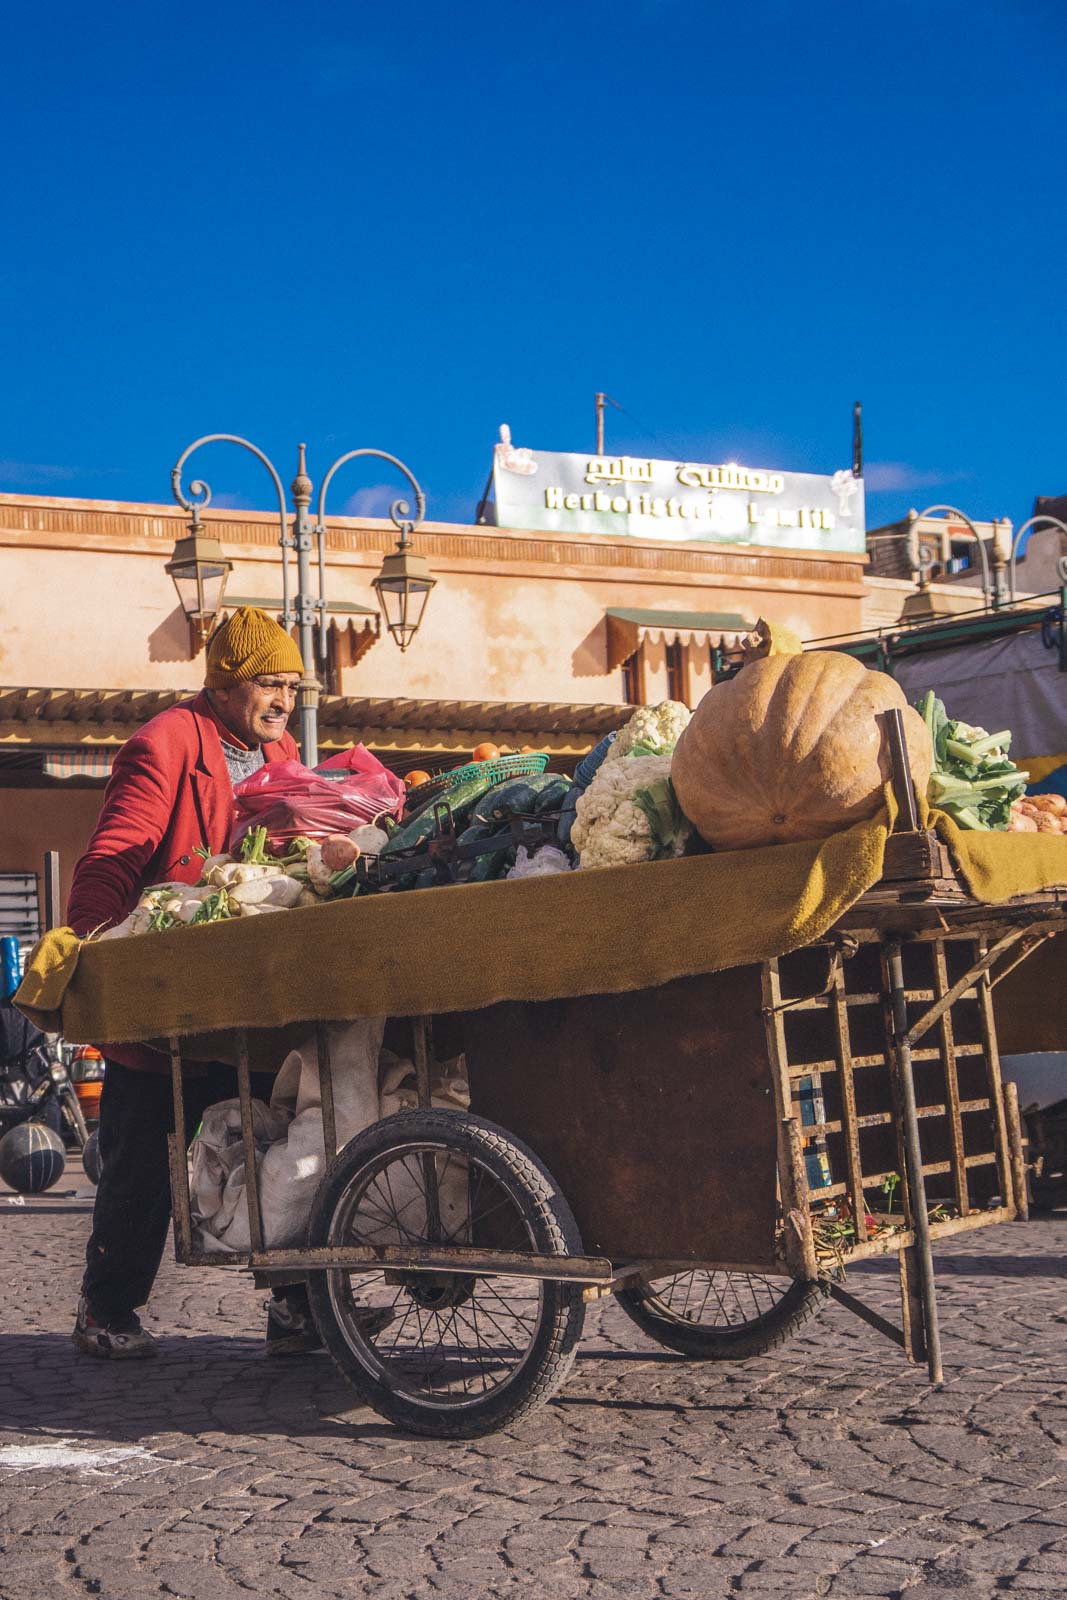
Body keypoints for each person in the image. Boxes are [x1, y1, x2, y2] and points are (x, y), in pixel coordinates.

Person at [67, 606, 320, 1359]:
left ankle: (297, 1306)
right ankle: (104, 1309)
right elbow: (119, 849)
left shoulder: (284, 754)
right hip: (165, 995)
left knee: (277, 1147)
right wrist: (88, 947)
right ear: (223, 684)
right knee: (143, 1158)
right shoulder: (167, 742)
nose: (283, 700)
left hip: (250, 992)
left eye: (292, 686)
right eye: (269, 685)